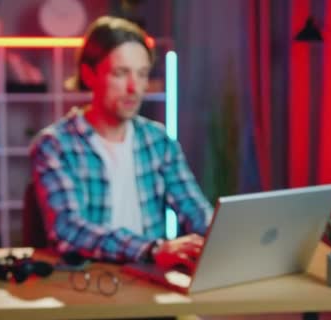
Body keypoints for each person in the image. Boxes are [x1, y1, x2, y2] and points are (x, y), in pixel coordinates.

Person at [30, 16, 212, 272]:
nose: (134, 87)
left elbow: (195, 210)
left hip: (151, 281)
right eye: (120, 73)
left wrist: (222, 238)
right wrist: (153, 249)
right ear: (88, 74)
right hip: (90, 284)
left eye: (142, 74)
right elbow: (69, 231)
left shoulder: (158, 140)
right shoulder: (56, 145)